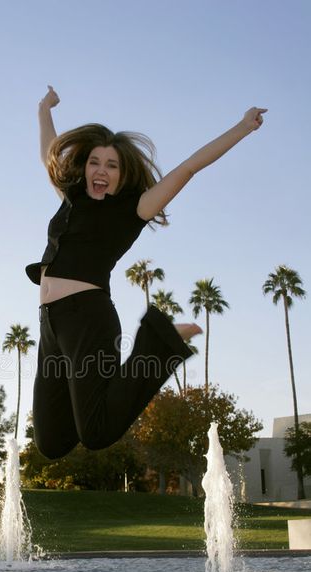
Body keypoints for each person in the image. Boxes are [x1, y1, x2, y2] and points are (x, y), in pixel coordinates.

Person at [26, 85, 266, 459]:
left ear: (122, 175)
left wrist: (242, 127)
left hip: (89, 319)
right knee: (51, 442)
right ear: (85, 167)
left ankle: (158, 342)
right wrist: (44, 108)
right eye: (94, 162)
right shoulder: (71, 198)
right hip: (50, 324)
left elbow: (188, 167)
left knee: (97, 433)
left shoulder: (133, 210)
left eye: (111, 165)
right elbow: (49, 155)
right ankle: (104, 390)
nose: (101, 171)